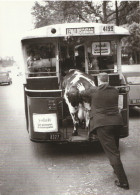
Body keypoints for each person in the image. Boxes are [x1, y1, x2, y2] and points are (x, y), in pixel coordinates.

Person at [77, 72, 129, 190]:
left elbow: (81, 94)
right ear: (108, 80)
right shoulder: (115, 90)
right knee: (115, 148)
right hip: (117, 123)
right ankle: (117, 170)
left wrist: (81, 89)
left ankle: (124, 182)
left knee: (112, 153)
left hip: (102, 124)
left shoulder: (93, 90)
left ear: (98, 81)